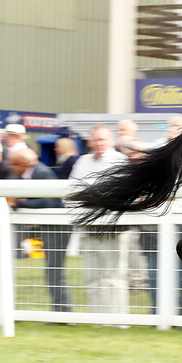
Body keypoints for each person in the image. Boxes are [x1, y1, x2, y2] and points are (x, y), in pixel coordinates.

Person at [69, 125, 130, 318]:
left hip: (112, 229)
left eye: (102, 140)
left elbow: (120, 195)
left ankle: (119, 320)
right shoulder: (82, 161)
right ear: (89, 142)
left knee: (114, 278)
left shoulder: (120, 160)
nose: (98, 144)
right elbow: (71, 189)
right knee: (93, 277)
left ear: (110, 141)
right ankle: (97, 319)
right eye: (95, 140)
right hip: (87, 227)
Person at [8, 147, 72, 313]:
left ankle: (62, 312)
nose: (10, 167)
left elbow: (50, 202)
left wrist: (21, 203)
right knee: (52, 270)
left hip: (58, 228)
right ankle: (61, 311)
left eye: (12, 164)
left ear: (22, 164)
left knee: (54, 270)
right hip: (50, 227)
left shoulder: (41, 172)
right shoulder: (26, 174)